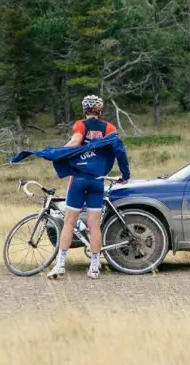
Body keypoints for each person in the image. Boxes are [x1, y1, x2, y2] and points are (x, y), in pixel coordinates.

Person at [48, 95, 129, 280]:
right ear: (100, 111)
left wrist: (57, 154)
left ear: (85, 110)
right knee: (94, 226)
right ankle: (94, 267)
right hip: (96, 181)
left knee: (69, 223)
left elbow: (75, 142)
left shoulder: (80, 125)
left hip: (78, 179)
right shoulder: (109, 128)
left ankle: (60, 265)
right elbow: (119, 151)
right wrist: (125, 175)